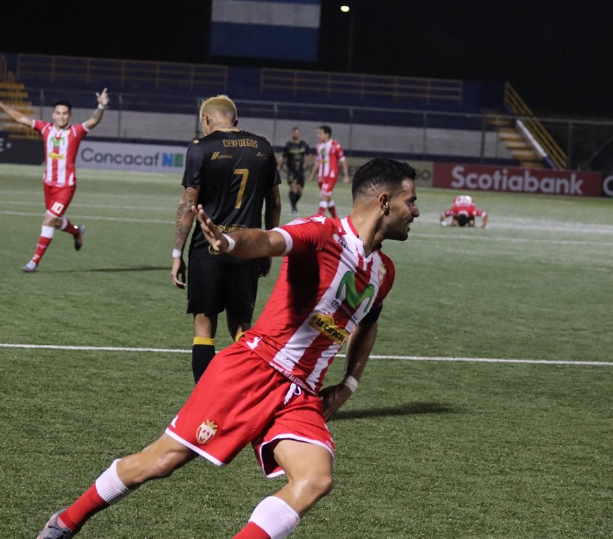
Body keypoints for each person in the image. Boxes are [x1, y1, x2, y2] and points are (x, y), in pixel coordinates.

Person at [35, 157, 420, 539]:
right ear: (384, 202)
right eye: (411, 201)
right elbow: (270, 239)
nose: (415, 212)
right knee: (161, 461)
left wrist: (349, 384)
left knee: (316, 479)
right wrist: (229, 241)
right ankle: (65, 522)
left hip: (299, 394)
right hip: (253, 367)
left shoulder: (383, 272)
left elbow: (367, 325)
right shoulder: (323, 232)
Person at [171, 94, 281, 383]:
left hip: (207, 249)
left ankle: (205, 401)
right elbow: (276, 203)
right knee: (242, 326)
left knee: (204, 326)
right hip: (249, 247)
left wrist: (176, 254)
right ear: (235, 120)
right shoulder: (263, 147)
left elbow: (188, 205)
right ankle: (252, 392)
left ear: (206, 119)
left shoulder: (200, 148)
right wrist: (266, 248)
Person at [0, 89, 110, 272]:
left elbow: (94, 120)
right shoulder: (45, 128)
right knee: (56, 221)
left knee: (49, 219)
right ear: (53, 115)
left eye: (65, 113)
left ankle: (34, 262)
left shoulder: (75, 132)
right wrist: (2, 105)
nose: (61, 117)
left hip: (65, 186)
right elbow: (20, 118)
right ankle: (76, 231)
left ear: (70, 115)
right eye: (58, 113)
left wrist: (101, 106)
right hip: (48, 184)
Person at [308, 125, 349, 218]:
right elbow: (318, 161)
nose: (319, 135)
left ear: (327, 134)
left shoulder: (335, 146)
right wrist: (312, 174)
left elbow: (343, 161)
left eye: (321, 133)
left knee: (324, 195)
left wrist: (346, 175)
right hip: (321, 176)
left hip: (331, 175)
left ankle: (318, 217)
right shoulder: (319, 146)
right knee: (327, 197)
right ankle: (336, 219)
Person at [278, 127, 310, 214]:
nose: (296, 134)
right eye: (294, 133)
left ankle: (294, 204)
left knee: (299, 191)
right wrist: (279, 166)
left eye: (297, 133)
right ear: (292, 134)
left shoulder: (304, 145)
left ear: (299, 134)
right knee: (292, 187)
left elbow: (307, 156)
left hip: (300, 171)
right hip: (291, 170)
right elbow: (283, 157)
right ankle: (293, 207)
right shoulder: (288, 145)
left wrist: (306, 164)